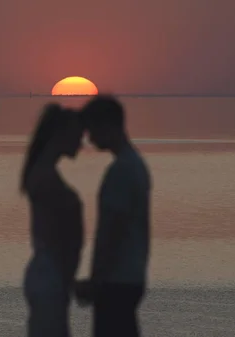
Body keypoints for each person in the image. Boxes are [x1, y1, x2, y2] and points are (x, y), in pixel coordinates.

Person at [74, 95, 152, 337]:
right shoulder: (137, 165)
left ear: (109, 125)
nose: (89, 137)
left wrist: (96, 281)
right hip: (131, 277)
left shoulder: (121, 171)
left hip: (116, 282)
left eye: (92, 129)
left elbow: (112, 232)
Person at [20, 103, 85, 337]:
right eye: (78, 135)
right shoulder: (45, 178)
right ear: (62, 133)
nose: (81, 142)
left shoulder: (42, 173)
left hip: (50, 275)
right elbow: (57, 238)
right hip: (50, 276)